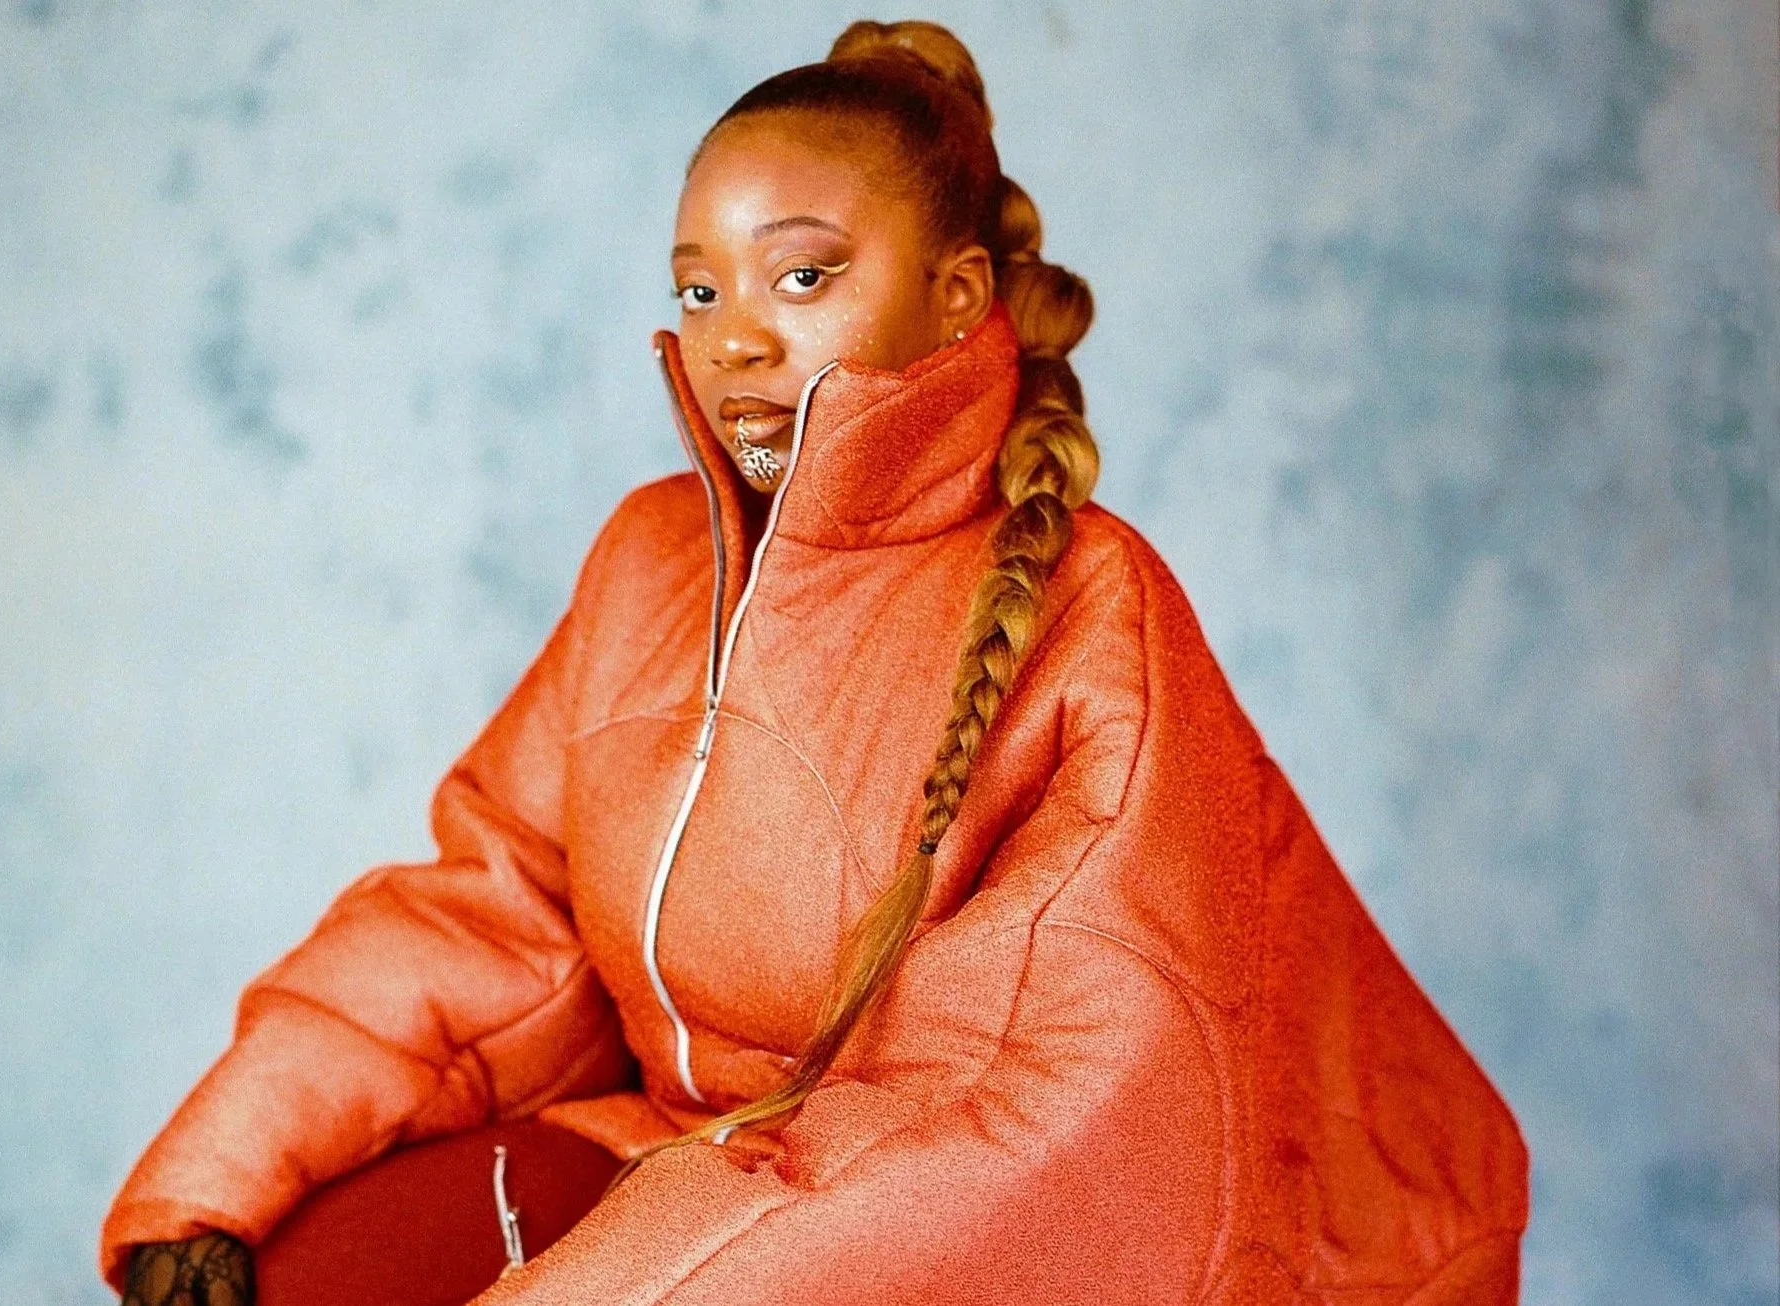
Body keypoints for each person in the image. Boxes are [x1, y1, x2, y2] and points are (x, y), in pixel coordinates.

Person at [103, 20, 1529, 1305]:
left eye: (802, 274)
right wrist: (220, 1171)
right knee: (285, 1279)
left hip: (973, 1239)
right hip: (685, 1161)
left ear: (959, 293)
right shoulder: (650, 560)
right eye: (700, 289)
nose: (736, 341)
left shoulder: (1097, 614)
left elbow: (1016, 1132)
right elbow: (498, 907)